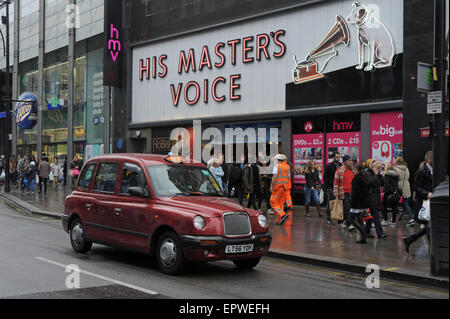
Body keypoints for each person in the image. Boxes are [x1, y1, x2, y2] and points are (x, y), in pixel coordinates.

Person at [403, 151, 433, 253]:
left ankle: (409, 239)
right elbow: (415, 187)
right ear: (429, 159)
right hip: (425, 203)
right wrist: (427, 193)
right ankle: (434, 252)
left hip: (433, 202)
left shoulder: (436, 171)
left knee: (429, 226)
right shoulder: (422, 172)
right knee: (429, 227)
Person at [364, 160, 388, 239]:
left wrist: (380, 175)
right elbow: (371, 182)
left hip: (375, 197)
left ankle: (366, 232)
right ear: (374, 167)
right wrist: (376, 174)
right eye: (378, 168)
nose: (379, 170)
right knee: (376, 216)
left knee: (370, 217)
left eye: (380, 168)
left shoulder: (377, 175)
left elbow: (382, 183)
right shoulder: (368, 173)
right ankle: (380, 233)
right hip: (370, 198)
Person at [349, 164, 371, 244]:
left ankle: (363, 234)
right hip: (364, 202)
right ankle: (363, 238)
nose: (354, 171)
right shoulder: (366, 177)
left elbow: (355, 192)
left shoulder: (357, 178)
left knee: (351, 219)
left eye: (354, 170)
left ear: (357, 170)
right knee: (360, 219)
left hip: (357, 202)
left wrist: (352, 202)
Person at [333, 155, 354, 229]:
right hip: (343, 192)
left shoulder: (352, 170)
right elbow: (336, 182)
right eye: (349, 161)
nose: (351, 162)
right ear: (345, 162)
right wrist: (335, 192)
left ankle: (343, 222)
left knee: (347, 208)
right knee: (346, 208)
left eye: (351, 160)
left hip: (351, 192)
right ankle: (349, 224)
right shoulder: (339, 170)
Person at [270, 154, 291, 225]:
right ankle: (278, 220)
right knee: (280, 204)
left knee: (273, 202)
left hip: (278, 187)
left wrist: (272, 187)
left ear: (278, 160)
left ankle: (283, 214)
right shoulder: (287, 167)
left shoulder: (277, 166)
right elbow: (288, 177)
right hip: (284, 187)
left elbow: (274, 178)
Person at [394, 157, 414, 225]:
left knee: (395, 203)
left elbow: (396, 178)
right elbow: (408, 177)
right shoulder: (406, 168)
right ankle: (409, 218)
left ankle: (410, 218)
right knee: (406, 203)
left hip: (399, 187)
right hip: (406, 186)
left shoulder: (395, 169)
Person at [324, 152, 342, 224]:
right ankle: (328, 218)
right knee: (330, 202)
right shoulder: (329, 166)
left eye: (339, 157)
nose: (338, 158)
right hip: (331, 187)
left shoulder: (340, 165)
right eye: (337, 157)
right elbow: (325, 177)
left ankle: (339, 219)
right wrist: (327, 186)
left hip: (339, 187)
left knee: (339, 203)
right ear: (333, 158)